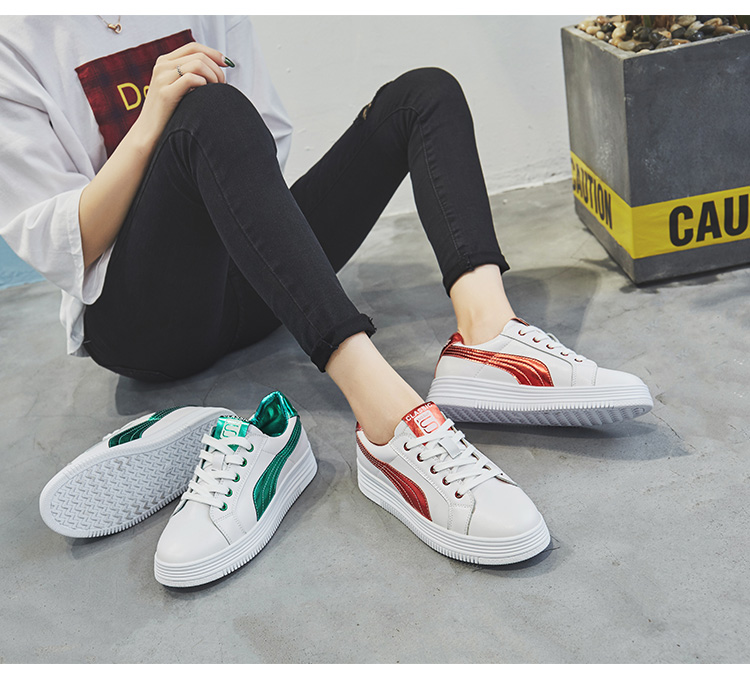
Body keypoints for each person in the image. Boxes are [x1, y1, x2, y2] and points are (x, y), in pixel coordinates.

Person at [1, 16, 652, 568]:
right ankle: (388, 424)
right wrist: (154, 121)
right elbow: (62, 245)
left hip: (250, 285)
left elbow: (261, 142)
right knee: (206, 109)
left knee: (423, 94)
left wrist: (219, 151)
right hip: (146, 320)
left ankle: (487, 337)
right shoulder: (16, 37)